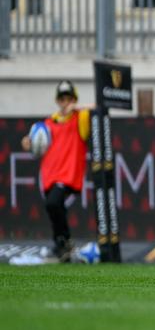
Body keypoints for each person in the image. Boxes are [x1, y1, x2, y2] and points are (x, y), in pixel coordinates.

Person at [20, 81, 90, 263]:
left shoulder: (80, 118)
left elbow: (98, 109)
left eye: (69, 99)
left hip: (68, 174)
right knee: (54, 208)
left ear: (74, 100)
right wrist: (27, 142)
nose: (65, 102)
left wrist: (76, 108)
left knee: (53, 204)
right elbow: (35, 142)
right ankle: (62, 247)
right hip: (50, 175)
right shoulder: (48, 122)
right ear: (58, 101)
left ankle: (64, 241)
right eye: (62, 99)